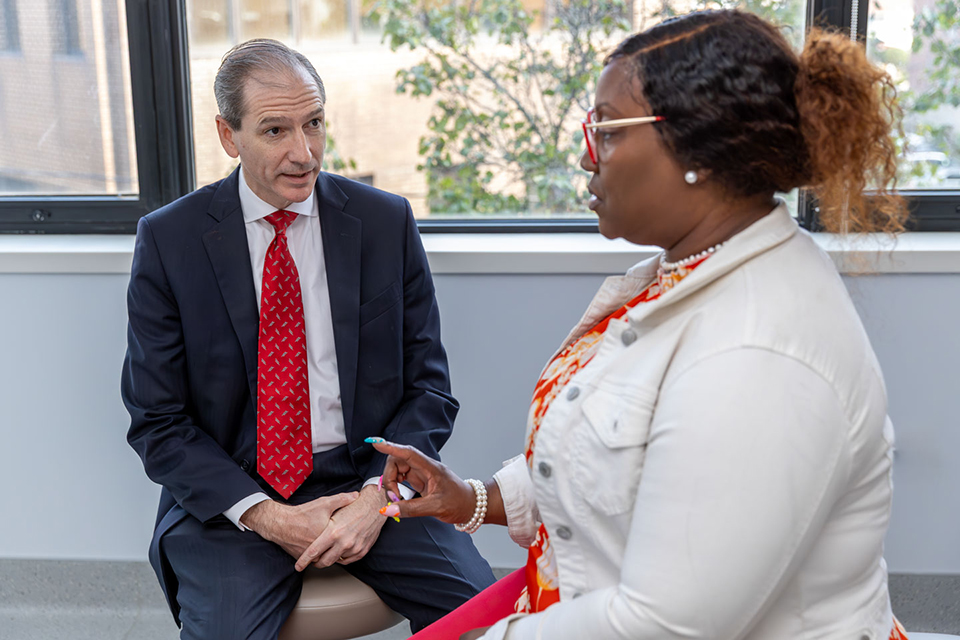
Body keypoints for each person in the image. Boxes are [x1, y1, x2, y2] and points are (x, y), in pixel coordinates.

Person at [338, 10, 913, 640]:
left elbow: (666, 623)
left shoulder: (757, 355)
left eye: (607, 131)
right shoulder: (680, 272)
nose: (587, 156)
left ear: (699, 148)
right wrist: (473, 498)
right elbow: (612, 455)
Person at [121, 39, 494, 639]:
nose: (304, 152)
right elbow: (157, 421)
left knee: (491, 617)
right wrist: (266, 515)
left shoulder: (384, 221)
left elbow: (429, 389)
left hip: (375, 479)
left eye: (314, 123)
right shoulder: (171, 241)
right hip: (234, 499)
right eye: (275, 131)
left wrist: (378, 494)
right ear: (227, 135)